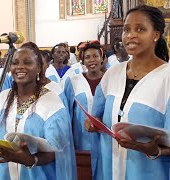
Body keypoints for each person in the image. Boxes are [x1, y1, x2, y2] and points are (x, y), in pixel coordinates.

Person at [85, 5, 170, 180]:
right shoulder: (113, 73)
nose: (130, 35)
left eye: (140, 29)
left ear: (156, 34)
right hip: (110, 169)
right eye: (126, 29)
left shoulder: (166, 78)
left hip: (149, 172)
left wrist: (156, 150)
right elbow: (97, 116)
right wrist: (93, 124)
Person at [0, 45, 77, 180]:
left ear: (39, 68)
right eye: (15, 63)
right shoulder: (3, 98)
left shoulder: (52, 102)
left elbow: (58, 151)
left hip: (39, 174)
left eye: (27, 62)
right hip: (5, 173)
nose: (20, 67)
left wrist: (30, 159)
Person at [64, 40, 104, 179]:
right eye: (87, 57)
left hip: (106, 142)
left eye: (95, 56)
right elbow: (67, 114)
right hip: (81, 141)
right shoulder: (73, 82)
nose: (92, 60)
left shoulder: (111, 80)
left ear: (102, 58)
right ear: (82, 61)